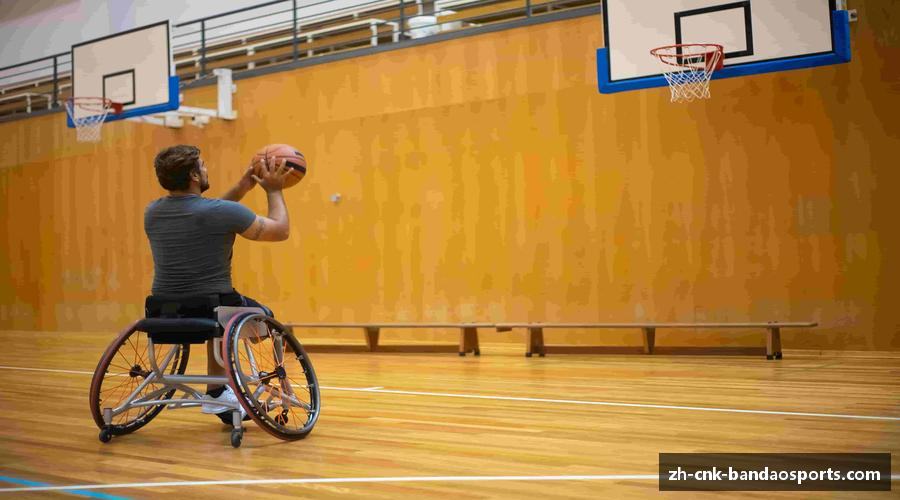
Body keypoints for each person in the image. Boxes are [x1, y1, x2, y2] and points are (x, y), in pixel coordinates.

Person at [144, 144, 293, 425]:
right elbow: (280, 230)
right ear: (194, 176)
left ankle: (217, 391)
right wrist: (274, 190)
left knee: (219, 311)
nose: (206, 167)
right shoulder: (219, 212)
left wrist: (241, 186)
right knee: (266, 320)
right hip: (216, 307)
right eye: (203, 165)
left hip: (164, 311)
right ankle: (223, 391)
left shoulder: (152, 212)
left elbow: (207, 215)